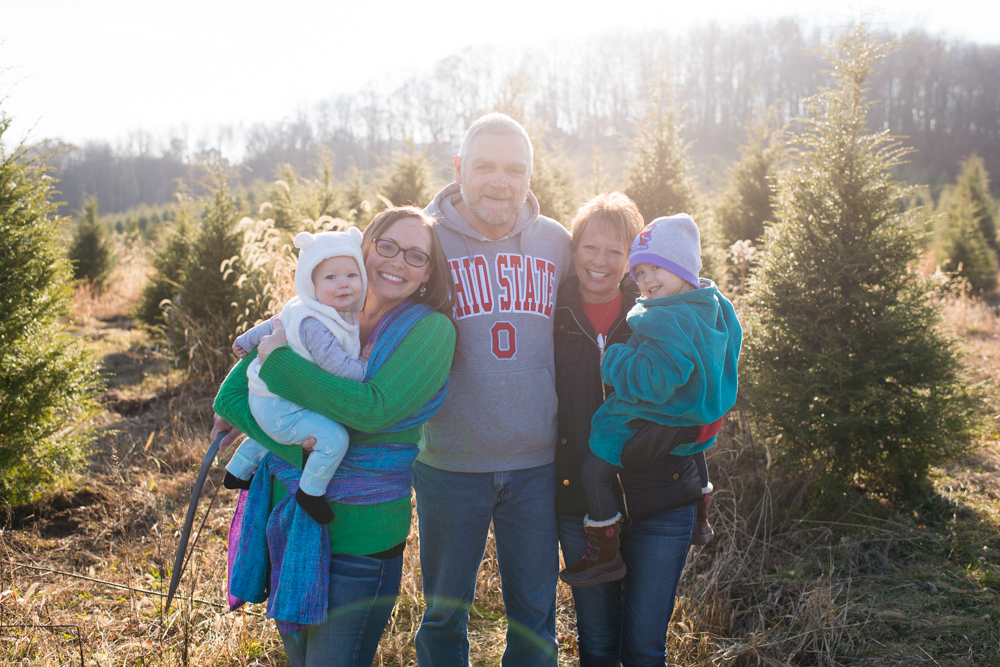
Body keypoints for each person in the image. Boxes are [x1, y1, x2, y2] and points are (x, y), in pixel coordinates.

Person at [211, 206, 456, 667]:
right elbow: (230, 396)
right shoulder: (323, 310)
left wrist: (279, 368)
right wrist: (282, 423)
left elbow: (370, 410)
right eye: (386, 246)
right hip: (291, 519)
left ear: (428, 273)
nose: (397, 262)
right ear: (362, 249)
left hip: (362, 536)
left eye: (416, 256)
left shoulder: (430, 331)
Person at [417, 112, 572, 667]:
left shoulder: (556, 242)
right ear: (459, 168)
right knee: (442, 614)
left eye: (514, 169)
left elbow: (620, 288)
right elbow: (352, 296)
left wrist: (697, 294)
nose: (499, 181)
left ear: (530, 176)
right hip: (448, 464)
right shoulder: (425, 242)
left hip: (536, 466)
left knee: (535, 618)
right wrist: (279, 330)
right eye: (484, 166)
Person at [553, 196, 736, 665]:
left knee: (643, 647)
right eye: (589, 247)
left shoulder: (664, 311)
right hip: (583, 504)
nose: (601, 261)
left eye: (616, 251)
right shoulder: (551, 314)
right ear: (572, 251)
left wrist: (683, 436)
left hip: (661, 498)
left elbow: (705, 392)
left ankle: (697, 514)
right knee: (595, 643)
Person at [224, 227, 374, 524]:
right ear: (311, 282)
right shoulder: (317, 324)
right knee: (334, 438)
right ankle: (311, 492)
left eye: (351, 275)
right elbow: (339, 369)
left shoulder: (303, 307)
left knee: (268, 432)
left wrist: (246, 340)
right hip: (281, 403)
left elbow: (272, 324)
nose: (343, 284)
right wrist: (365, 365)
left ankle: (236, 471)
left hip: (268, 398)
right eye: (330, 278)